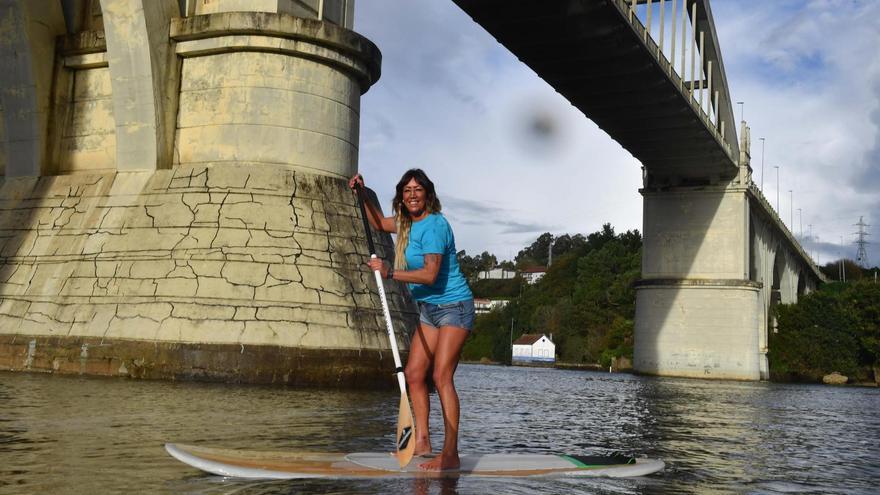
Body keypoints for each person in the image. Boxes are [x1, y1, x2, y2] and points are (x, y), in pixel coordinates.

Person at [349, 169, 475, 472]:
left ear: (427, 194)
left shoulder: (434, 226)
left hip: (454, 307)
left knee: (441, 377)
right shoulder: (405, 224)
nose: (412, 195)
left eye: (418, 189)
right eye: (407, 190)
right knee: (415, 374)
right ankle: (422, 442)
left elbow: (430, 274)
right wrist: (362, 193)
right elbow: (378, 223)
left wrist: (389, 272)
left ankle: (450, 454)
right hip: (429, 310)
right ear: (401, 197)